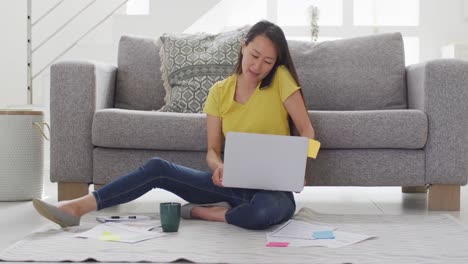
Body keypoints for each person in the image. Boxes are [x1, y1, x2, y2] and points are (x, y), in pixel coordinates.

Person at [33, 20, 316, 230]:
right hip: (233, 184)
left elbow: (307, 133)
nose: (258, 66)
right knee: (157, 168)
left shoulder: (280, 80)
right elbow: (212, 151)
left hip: (273, 192)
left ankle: (205, 213)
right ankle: (76, 207)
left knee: (261, 215)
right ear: (243, 46)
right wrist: (218, 168)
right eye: (255, 55)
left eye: (268, 61)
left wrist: (299, 166)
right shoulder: (219, 91)